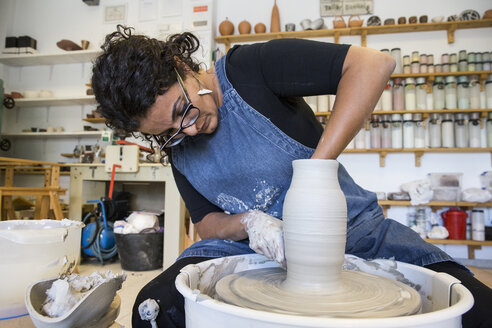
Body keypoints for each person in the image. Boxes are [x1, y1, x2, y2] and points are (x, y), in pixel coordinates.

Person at [92, 25, 492, 328]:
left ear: (183, 68)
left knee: (475, 308)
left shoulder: (249, 69)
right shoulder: (179, 146)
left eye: (183, 110)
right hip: (253, 249)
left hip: (354, 232)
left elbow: (372, 64)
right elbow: (205, 225)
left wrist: (315, 173)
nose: (189, 131)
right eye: (169, 131)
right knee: (152, 311)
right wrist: (249, 223)